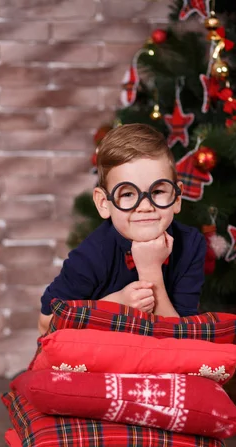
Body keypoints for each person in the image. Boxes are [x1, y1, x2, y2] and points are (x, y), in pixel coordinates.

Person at [38, 123, 207, 334]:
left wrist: (150, 271)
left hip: (161, 362)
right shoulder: (91, 256)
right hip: (98, 360)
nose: (145, 207)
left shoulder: (190, 245)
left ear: (177, 197)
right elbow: (46, 324)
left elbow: (181, 339)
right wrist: (115, 304)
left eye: (157, 192)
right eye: (127, 194)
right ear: (103, 203)